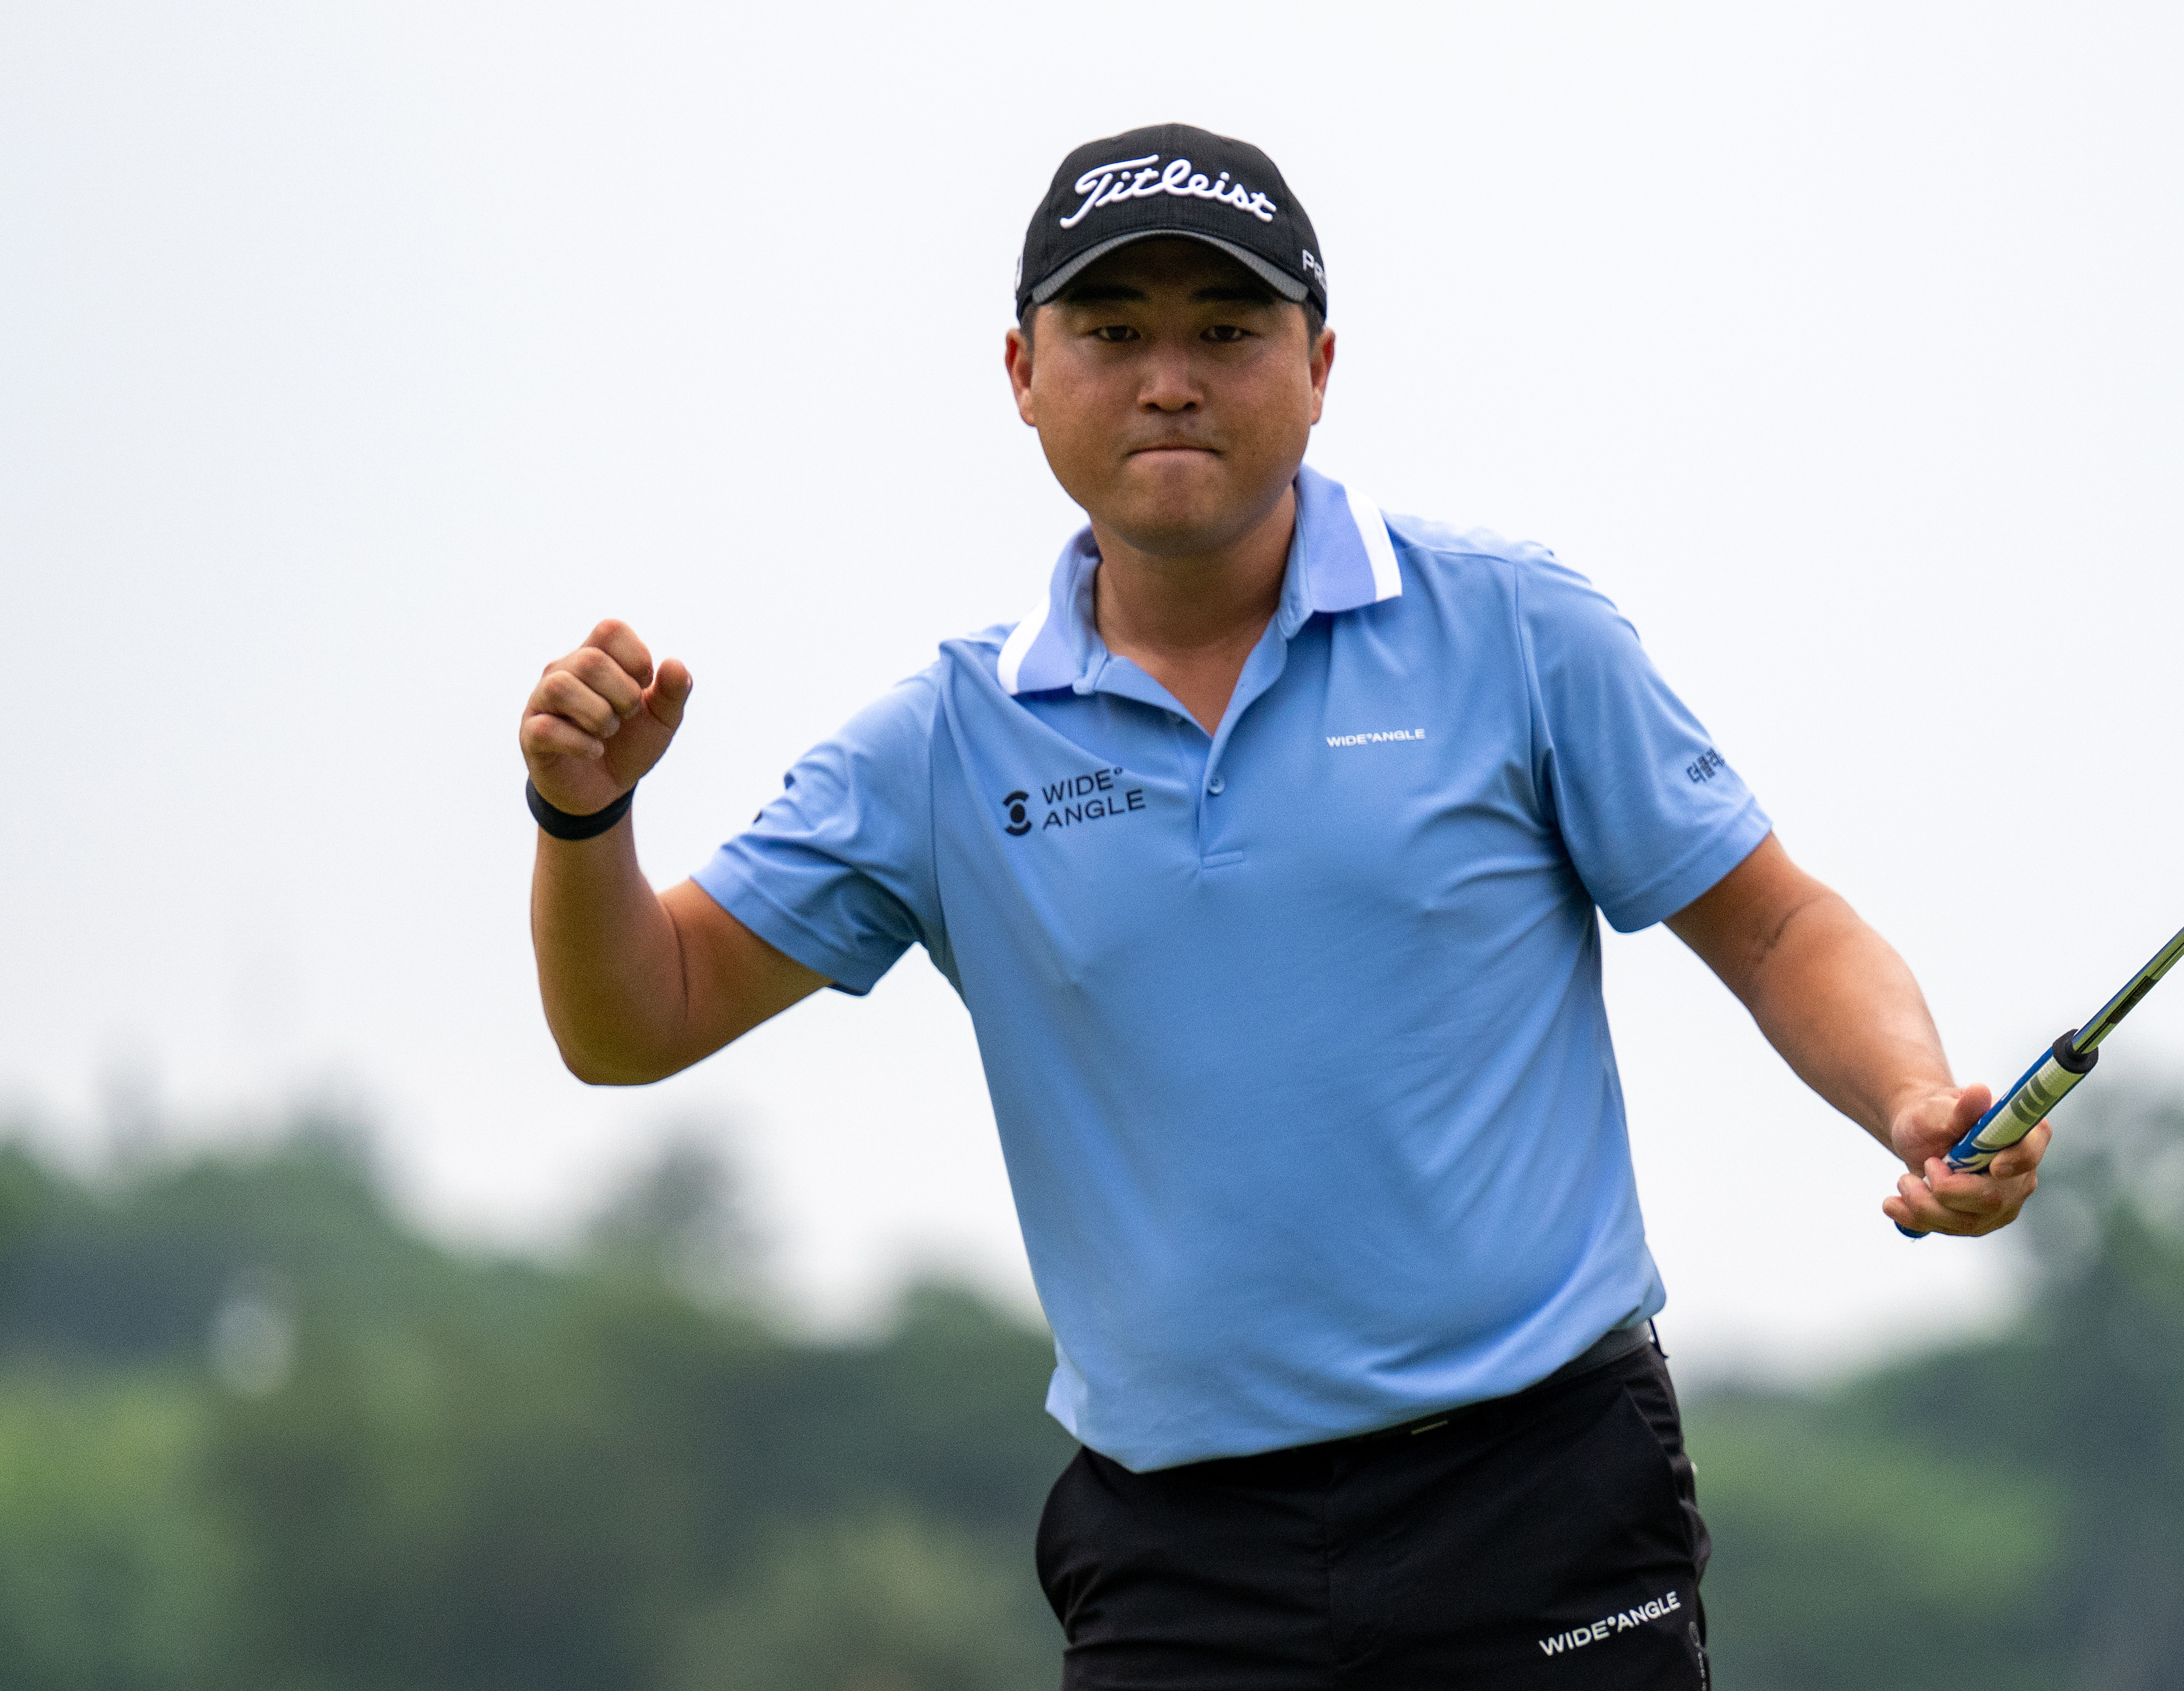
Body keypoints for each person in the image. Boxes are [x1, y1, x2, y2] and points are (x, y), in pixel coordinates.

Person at [517, 122, 2051, 1690]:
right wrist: (585, 818)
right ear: (1023, 373)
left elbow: (1775, 924)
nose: (1169, 380)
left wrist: (1910, 1096)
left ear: (1318, 366)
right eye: (1114, 332)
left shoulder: (1512, 628)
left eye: (1226, 331)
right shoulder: (943, 744)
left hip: (1538, 1494)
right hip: (1180, 1558)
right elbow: (638, 1020)